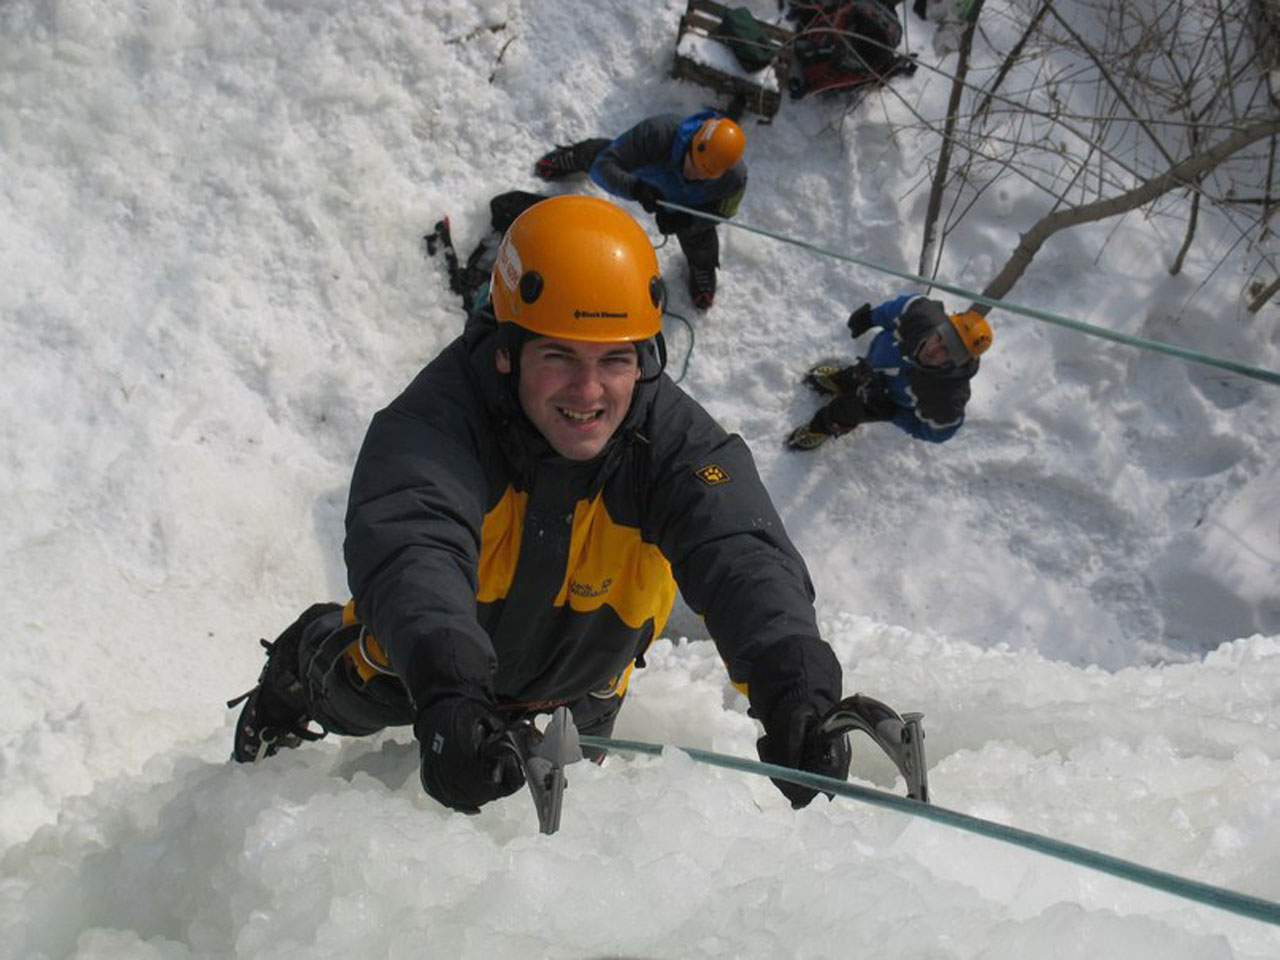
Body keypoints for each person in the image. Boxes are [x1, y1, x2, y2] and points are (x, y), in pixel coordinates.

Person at [229, 195, 851, 814]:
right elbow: (414, 547)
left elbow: (740, 548)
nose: (589, 392)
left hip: (583, 685)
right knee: (348, 695)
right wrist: (449, 687)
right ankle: (292, 674)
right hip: (427, 660)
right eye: (559, 356)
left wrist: (793, 682)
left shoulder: (675, 443)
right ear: (506, 350)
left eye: (615, 359)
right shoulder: (434, 427)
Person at [533, 110, 747, 311]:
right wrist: (635, 188)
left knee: (699, 237)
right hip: (647, 176)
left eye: (704, 175)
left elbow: (723, 212)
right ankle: (574, 157)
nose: (692, 175)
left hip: (688, 204)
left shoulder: (734, 179)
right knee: (599, 156)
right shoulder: (657, 134)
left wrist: (690, 221)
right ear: (693, 143)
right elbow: (604, 166)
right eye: (692, 164)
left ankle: (703, 266)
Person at [785, 293, 993, 451]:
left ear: (959, 361)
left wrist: (894, 414)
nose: (933, 349)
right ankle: (841, 381)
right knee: (855, 374)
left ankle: (824, 426)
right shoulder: (920, 315)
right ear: (941, 326)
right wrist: (871, 318)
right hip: (873, 364)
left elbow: (939, 432)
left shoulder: (946, 397)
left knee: (847, 409)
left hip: (882, 400)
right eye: (940, 337)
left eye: (947, 351)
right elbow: (897, 309)